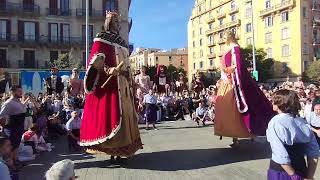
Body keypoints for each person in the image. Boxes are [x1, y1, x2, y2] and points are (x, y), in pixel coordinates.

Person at [80, 11, 142, 164]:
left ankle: (122, 150)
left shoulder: (122, 42)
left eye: (117, 21)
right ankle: (112, 151)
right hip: (111, 87)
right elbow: (96, 61)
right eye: (113, 20)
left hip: (124, 87)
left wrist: (129, 79)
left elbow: (127, 65)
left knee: (125, 119)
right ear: (108, 22)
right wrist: (109, 70)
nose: (116, 23)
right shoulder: (101, 38)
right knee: (112, 117)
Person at [214, 31, 275, 148]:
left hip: (233, 83)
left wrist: (227, 72)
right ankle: (235, 138)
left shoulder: (235, 48)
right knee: (227, 110)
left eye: (226, 35)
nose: (224, 37)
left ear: (231, 37)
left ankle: (250, 132)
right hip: (226, 83)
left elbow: (238, 66)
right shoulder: (227, 49)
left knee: (236, 110)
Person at [266, 89, 319, 180]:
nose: (272, 102)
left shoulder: (276, 122)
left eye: (274, 100)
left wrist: (294, 175)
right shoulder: (303, 122)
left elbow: (280, 153)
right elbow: (313, 153)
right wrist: (310, 176)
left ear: (281, 102)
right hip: (302, 169)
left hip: (283, 172)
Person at [0, 86, 26, 165]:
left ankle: (16, 160)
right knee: (11, 147)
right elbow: (1, 115)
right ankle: (11, 165)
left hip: (19, 127)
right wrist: (3, 127)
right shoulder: (8, 103)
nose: (21, 93)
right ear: (13, 92)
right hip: (12, 128)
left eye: (21, 91)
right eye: (19, 91)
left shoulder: (18, 101)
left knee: (16, 145)